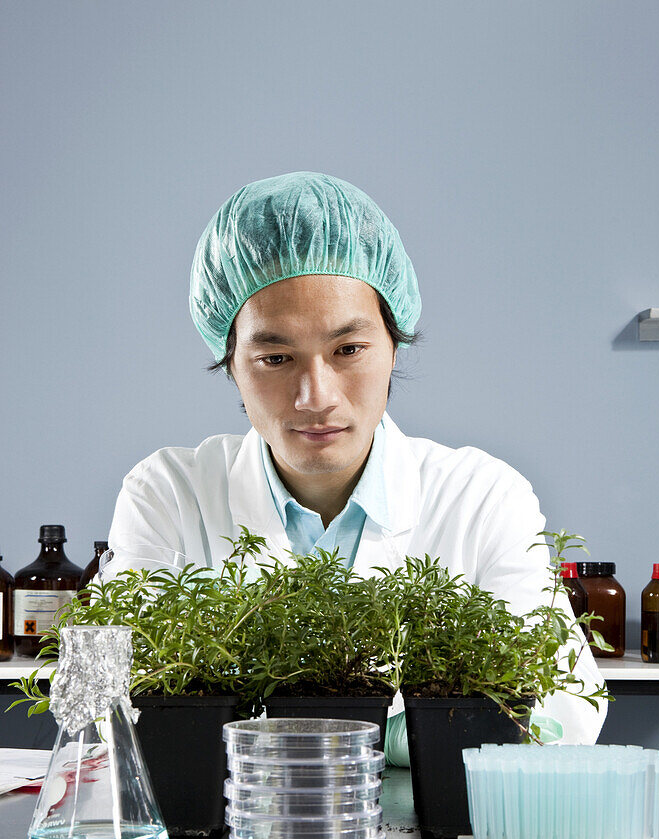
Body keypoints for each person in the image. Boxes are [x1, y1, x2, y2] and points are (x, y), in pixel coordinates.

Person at [108, 170, 607, 761]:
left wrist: (387, 739)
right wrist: (414, 730)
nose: (315, 396)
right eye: (274, 356)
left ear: (395, 345)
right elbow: (110, 704)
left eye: (348, 349)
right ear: (230, 363)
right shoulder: (170, 493)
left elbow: (561, 709)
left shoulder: (480, 494)